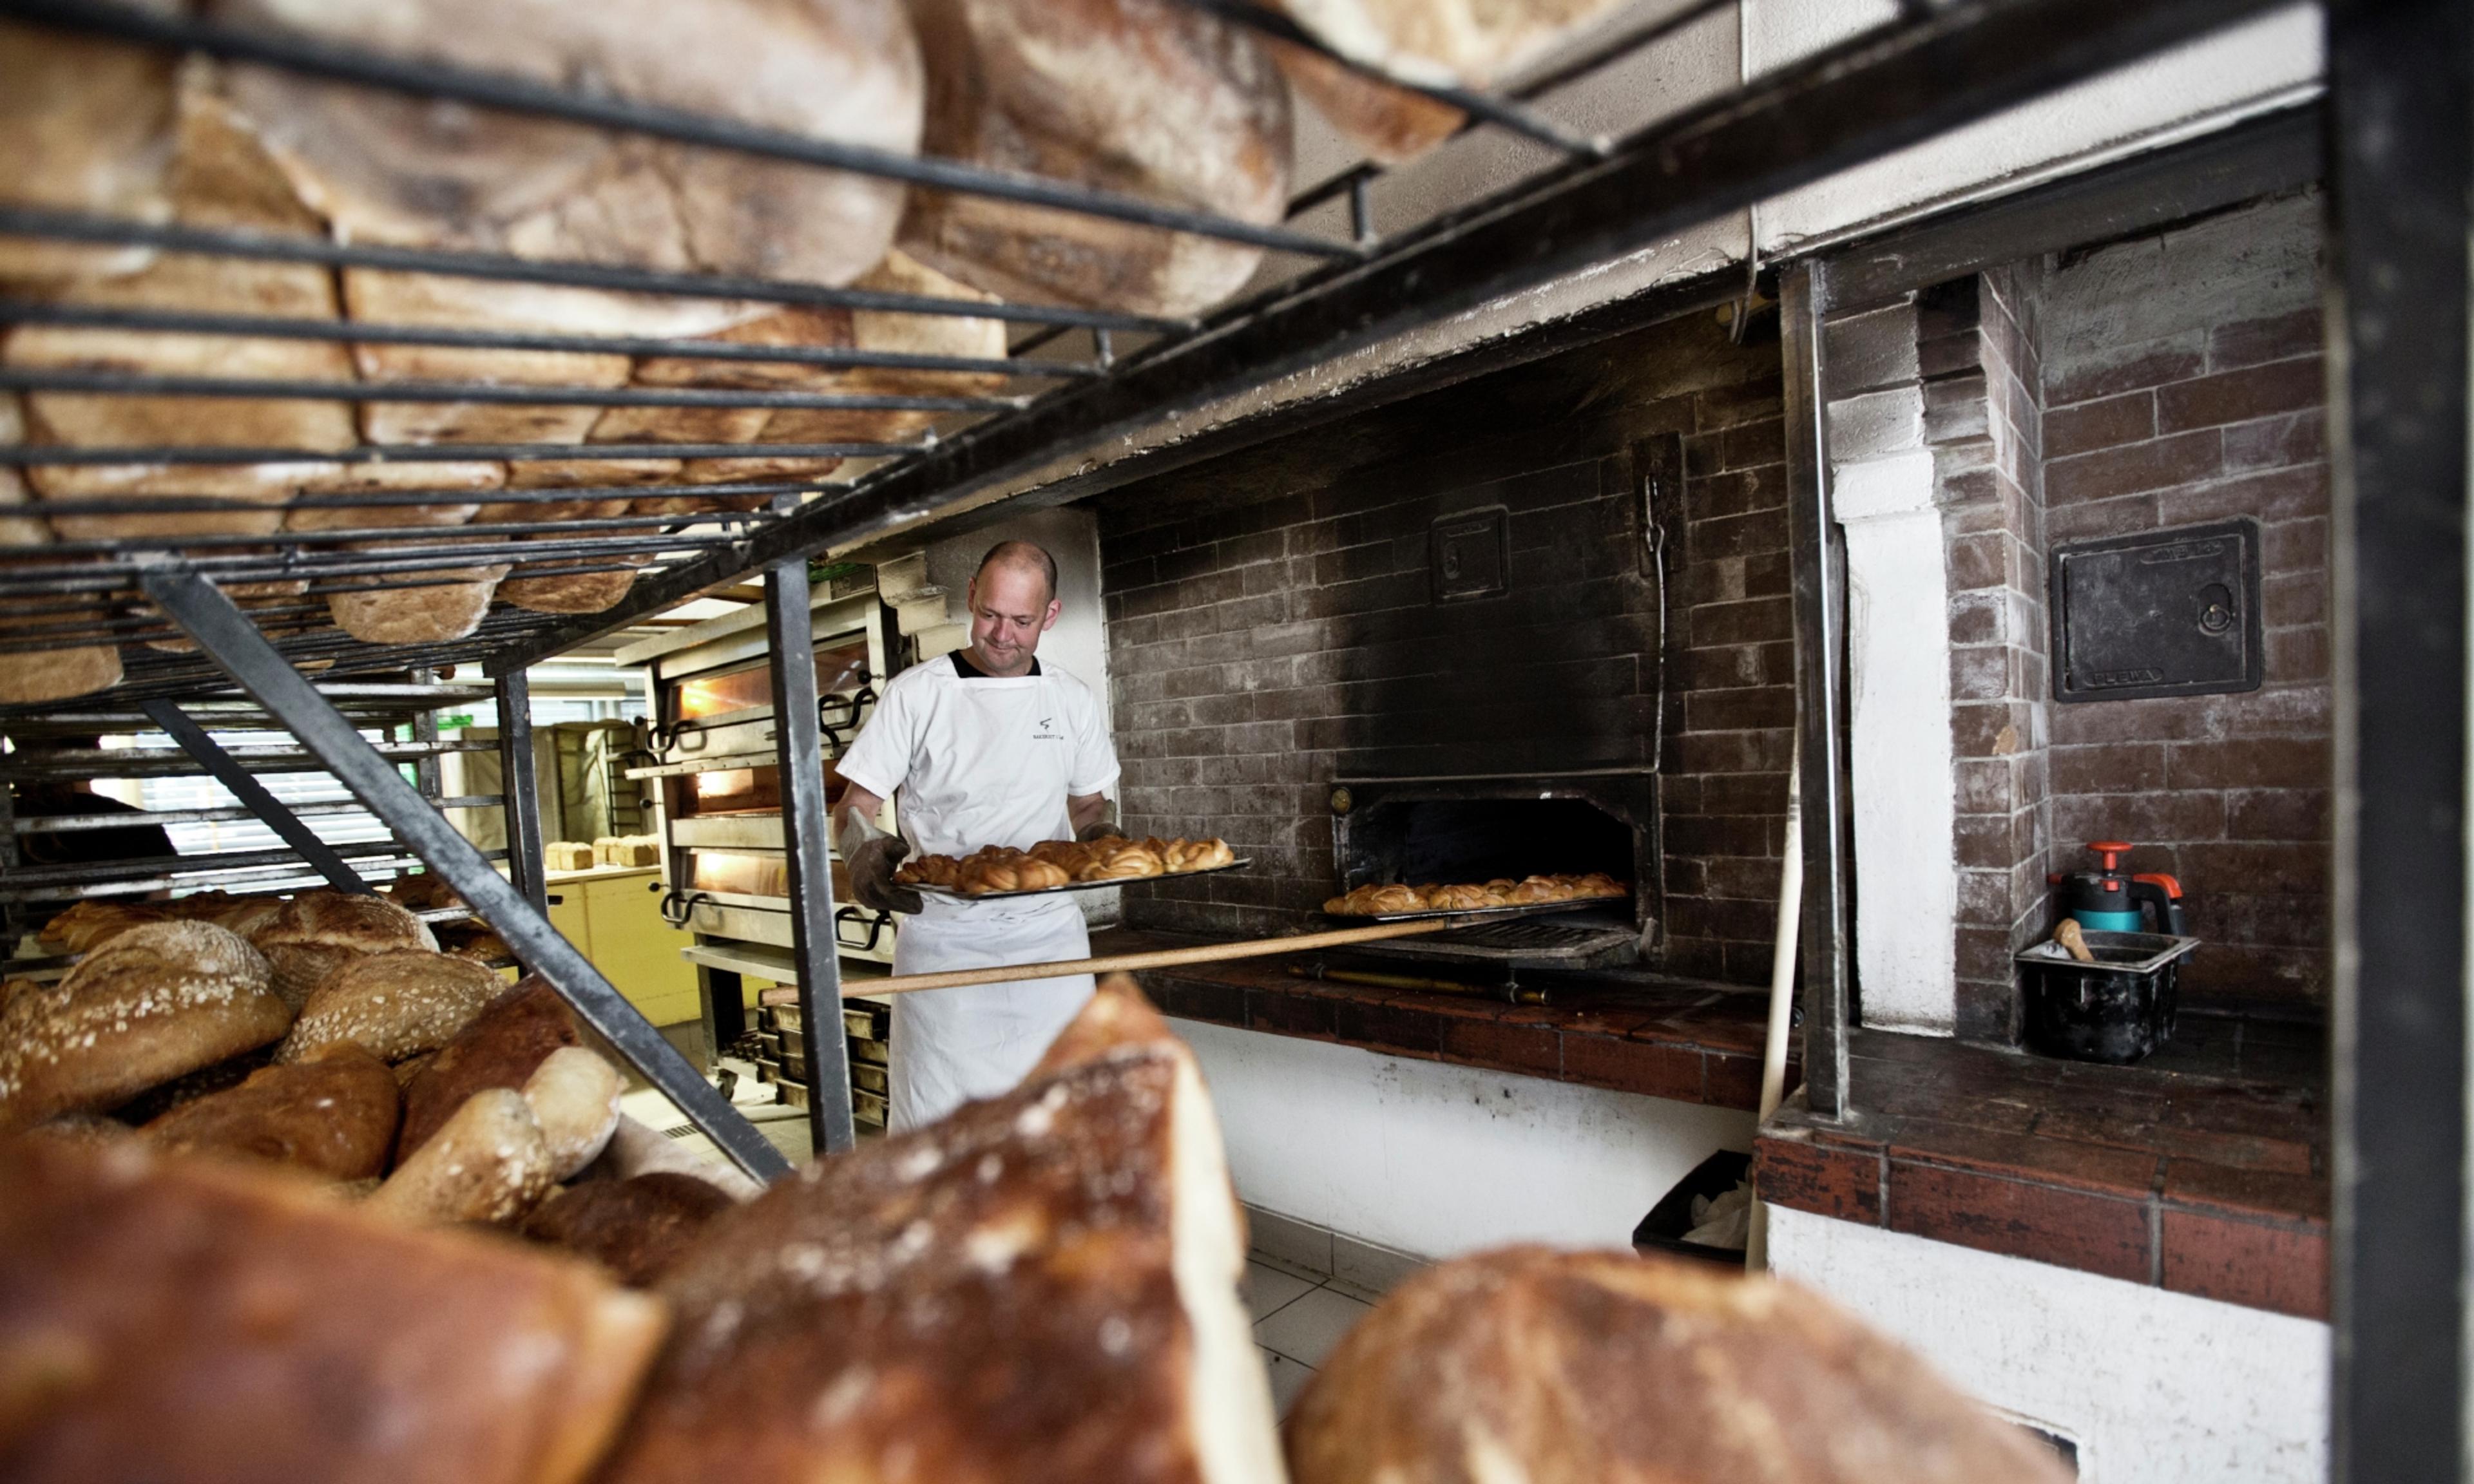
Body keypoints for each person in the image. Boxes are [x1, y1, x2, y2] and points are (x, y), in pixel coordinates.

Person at [834, 540, 1120, 1130]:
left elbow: (1088, 801)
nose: (1002, 634)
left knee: (1057, 1120)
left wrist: (1105, 836)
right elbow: (855, 803)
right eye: (990, 614)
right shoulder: (917, 694)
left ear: (1051, 616)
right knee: (943, 1129)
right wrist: (862, 849)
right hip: (946, 945)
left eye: (1022, 620)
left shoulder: (1070, 699)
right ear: (970, 596)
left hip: (1049, 945)